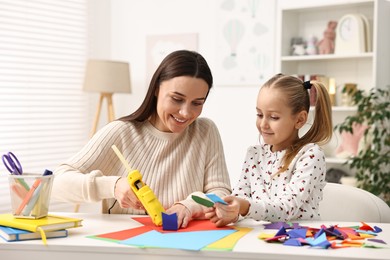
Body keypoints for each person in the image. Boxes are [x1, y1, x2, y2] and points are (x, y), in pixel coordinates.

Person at [52, 50, 232, 228]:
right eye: (177, 99)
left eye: (197, 103)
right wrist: (112, 186)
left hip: (189, 247)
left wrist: (189, 206)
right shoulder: (121, 132)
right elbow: (56, 183)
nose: (185, 113)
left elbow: (221, 193)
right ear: (156, 89)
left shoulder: (206, 131)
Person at [205, 73, 333, 226]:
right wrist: (231, 213)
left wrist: (244, 207)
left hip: (299, 241)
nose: (263, 124)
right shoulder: (254, 154)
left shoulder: (310, 155)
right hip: (259, 238)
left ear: (299, 119)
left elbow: (287, 209)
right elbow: (240, 197)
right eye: (260, 114)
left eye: (273, 117)